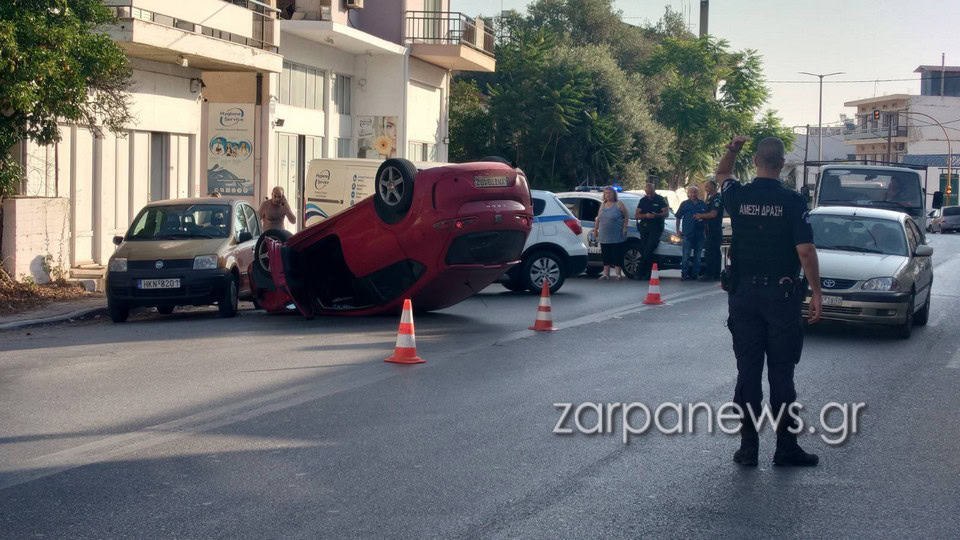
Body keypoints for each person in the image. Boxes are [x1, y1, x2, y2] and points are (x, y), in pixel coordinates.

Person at [717, 135, 823, 468]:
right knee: (781, 373)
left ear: (755, 163)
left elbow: (721, 176)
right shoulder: (792, 202)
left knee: (748, 371)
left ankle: (748, 449)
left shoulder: (739, 196)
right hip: (781, 297)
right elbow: (805, 251)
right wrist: (817, 292)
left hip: (744, 296)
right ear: (782, 164)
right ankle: (786, 447)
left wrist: (732, 148)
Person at [634, 182, 669, 280]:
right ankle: (648, 272)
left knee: (649, 248)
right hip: (644, 227)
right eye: (647, 191)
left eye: (650, 190)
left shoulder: (660, 199)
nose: (648, 192)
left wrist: (656, 215)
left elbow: (666, 213)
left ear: (654, 190)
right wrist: (645, 216)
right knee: (646, 249)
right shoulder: (643, 200)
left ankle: (640, 271)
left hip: (656, 227)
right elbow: (637, 215)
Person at [594, 186, 629, 280]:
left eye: (610, 193)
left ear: (614, 194)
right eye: (606, 193)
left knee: (617, 254)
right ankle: (606, 274)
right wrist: (595, 229)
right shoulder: (602, 204)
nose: (607, 195)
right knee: (606, 255)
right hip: (604, 234)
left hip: (616, 235)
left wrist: (625, 228)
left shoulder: (619, 204)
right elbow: (598, 218)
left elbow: (626, 216)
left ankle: (618, 274)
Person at [675, 186, 707, 280]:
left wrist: (705, 232)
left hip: (700, 234)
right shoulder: (684, 204)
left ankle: (695, 274)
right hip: (688, 233)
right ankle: (684, 274)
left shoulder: (702, 204)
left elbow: (706, 219)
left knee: (697, 256)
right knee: (686, 255)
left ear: (698, 193)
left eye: (695, 192)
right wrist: (677, 230)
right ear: (688, 193)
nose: (693, 194)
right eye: (691, 192)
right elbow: (678, 217)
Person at [695, 179, 724, 280]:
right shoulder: (710, 198)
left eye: (707, 186)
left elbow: (713, 214)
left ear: (713, 187)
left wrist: (701, 216)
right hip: (708, 229)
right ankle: (713, 274)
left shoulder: (717, 199)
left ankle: (711, 274)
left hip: (714, 229)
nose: (705, 189)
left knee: (712, 252)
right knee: (711, 251)